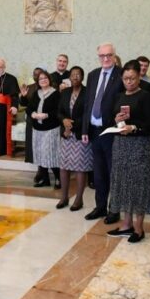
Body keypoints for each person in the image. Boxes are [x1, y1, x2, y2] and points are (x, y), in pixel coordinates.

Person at [105, 60, 150, 243]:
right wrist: (117, 120)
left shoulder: (146, 96)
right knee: (123, 183)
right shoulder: (119, 96)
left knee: (138, 184)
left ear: (139, 77)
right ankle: (126, 224)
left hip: (139, 145)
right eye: (126, 78)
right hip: (120, 145)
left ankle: (139, 228)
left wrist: (134, 127)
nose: (129, 82)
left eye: (133, 78)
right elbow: (114, 120)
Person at [81, 42, 124, 224]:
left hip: (112, 131)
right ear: (98, 56)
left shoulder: (121, 75)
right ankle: (100, 207)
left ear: (114, 56)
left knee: (113, 172)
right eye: (102, 56)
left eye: (109, 55)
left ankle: (114, 210)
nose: (105, 59)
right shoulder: (92, 75)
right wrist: (84, 129)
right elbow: (88, 104)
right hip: (94, 131)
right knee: (98, 173)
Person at [57, 66, 91, 210]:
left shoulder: (88, 92)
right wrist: (64, 121)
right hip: (66, 135)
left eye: (78, 75)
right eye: (73, 75)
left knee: (80, 167)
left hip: (79, 134)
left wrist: (72, 125)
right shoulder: (64, 92)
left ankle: (79, 199)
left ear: (82, 77)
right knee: (64, 166)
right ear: (69, 77)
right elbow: (59, 111)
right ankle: (64, 197)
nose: (75, 77)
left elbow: (87, 114)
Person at [27, 71, 61, 190]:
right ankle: (45, 179)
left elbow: (58, 111)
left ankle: (58, 178)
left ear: (49, 79)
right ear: (38, 81)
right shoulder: (36, 93)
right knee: (40, 155)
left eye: (45, 78)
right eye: (41, 79)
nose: (43, 80)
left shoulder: (56, 94)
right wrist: (33, 114)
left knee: (51, 154)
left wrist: (46, 115)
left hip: (51, 129)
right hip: (37, 129)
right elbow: (29, 108)